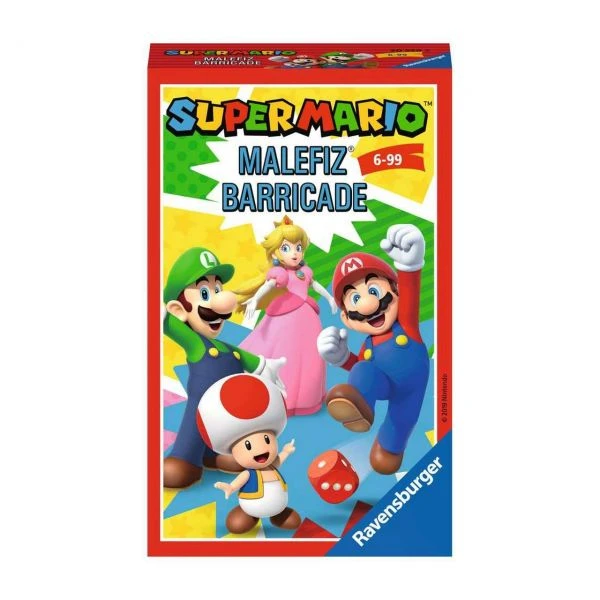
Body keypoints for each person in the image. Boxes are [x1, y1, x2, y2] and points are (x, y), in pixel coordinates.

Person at [163, 247, 286, 488]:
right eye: (205, 293)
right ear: (179, 310)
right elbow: (168, 324)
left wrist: (267, 367)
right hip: (202, 403)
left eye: (218, 290)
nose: (220, 300)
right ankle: (185, 459)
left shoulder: (226, 347)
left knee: (223, 426)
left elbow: (246, 358)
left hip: (228, 405)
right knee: (194, 426)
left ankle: (213, 455)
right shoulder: (196, 343)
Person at [317, 224, 430, 474]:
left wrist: (410, 266)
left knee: (401, 422)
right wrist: (342, 358)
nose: (368, 305)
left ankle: (390, 447)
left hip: (410, 389)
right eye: (355, 299)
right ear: (346, 319)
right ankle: (360, 406)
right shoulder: (367, 346)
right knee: (363, 370)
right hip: (380, 383)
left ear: (396, 291)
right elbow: (360, 367)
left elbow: (411, 295)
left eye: (373, 290)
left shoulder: (406, 325)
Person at [235, 216, 336, 416]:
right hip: (286, 318)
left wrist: (329, 298)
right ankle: (280, 397)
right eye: (286, 248)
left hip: (308, 319)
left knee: (309, 355)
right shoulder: (280, 274)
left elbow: (314, 285)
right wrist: (255, 300)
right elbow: (268, 286)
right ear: (275, 253)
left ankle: (307, 396)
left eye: (298, 247)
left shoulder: (304, 272)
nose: (295, 253)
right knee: (285, 351)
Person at [197, 373, 301, 534]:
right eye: (248, 445)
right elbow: (240, 481)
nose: (261, 450)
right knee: (238, 523)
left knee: (287, 517)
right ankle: (248, 515)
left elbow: (278, 460)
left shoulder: (272, 465)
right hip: (252, 504)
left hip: (278, 504)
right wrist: (231, 487)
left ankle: (279, 514)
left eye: (266, 439)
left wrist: (286, 451)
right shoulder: (249, 473)